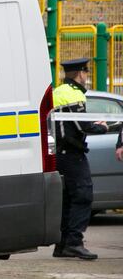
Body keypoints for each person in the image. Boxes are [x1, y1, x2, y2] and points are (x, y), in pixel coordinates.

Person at [52, 58, 108, 260]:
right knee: (83, 195)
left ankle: (62, 244)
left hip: (59, 154)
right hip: (72, 154)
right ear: (80, 73)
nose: (87, 76)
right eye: (86, 72)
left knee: (67, 199)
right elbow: (80, 125)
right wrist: (101, 127)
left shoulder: (58, 91)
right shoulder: (74, 94)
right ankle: (74, 243)